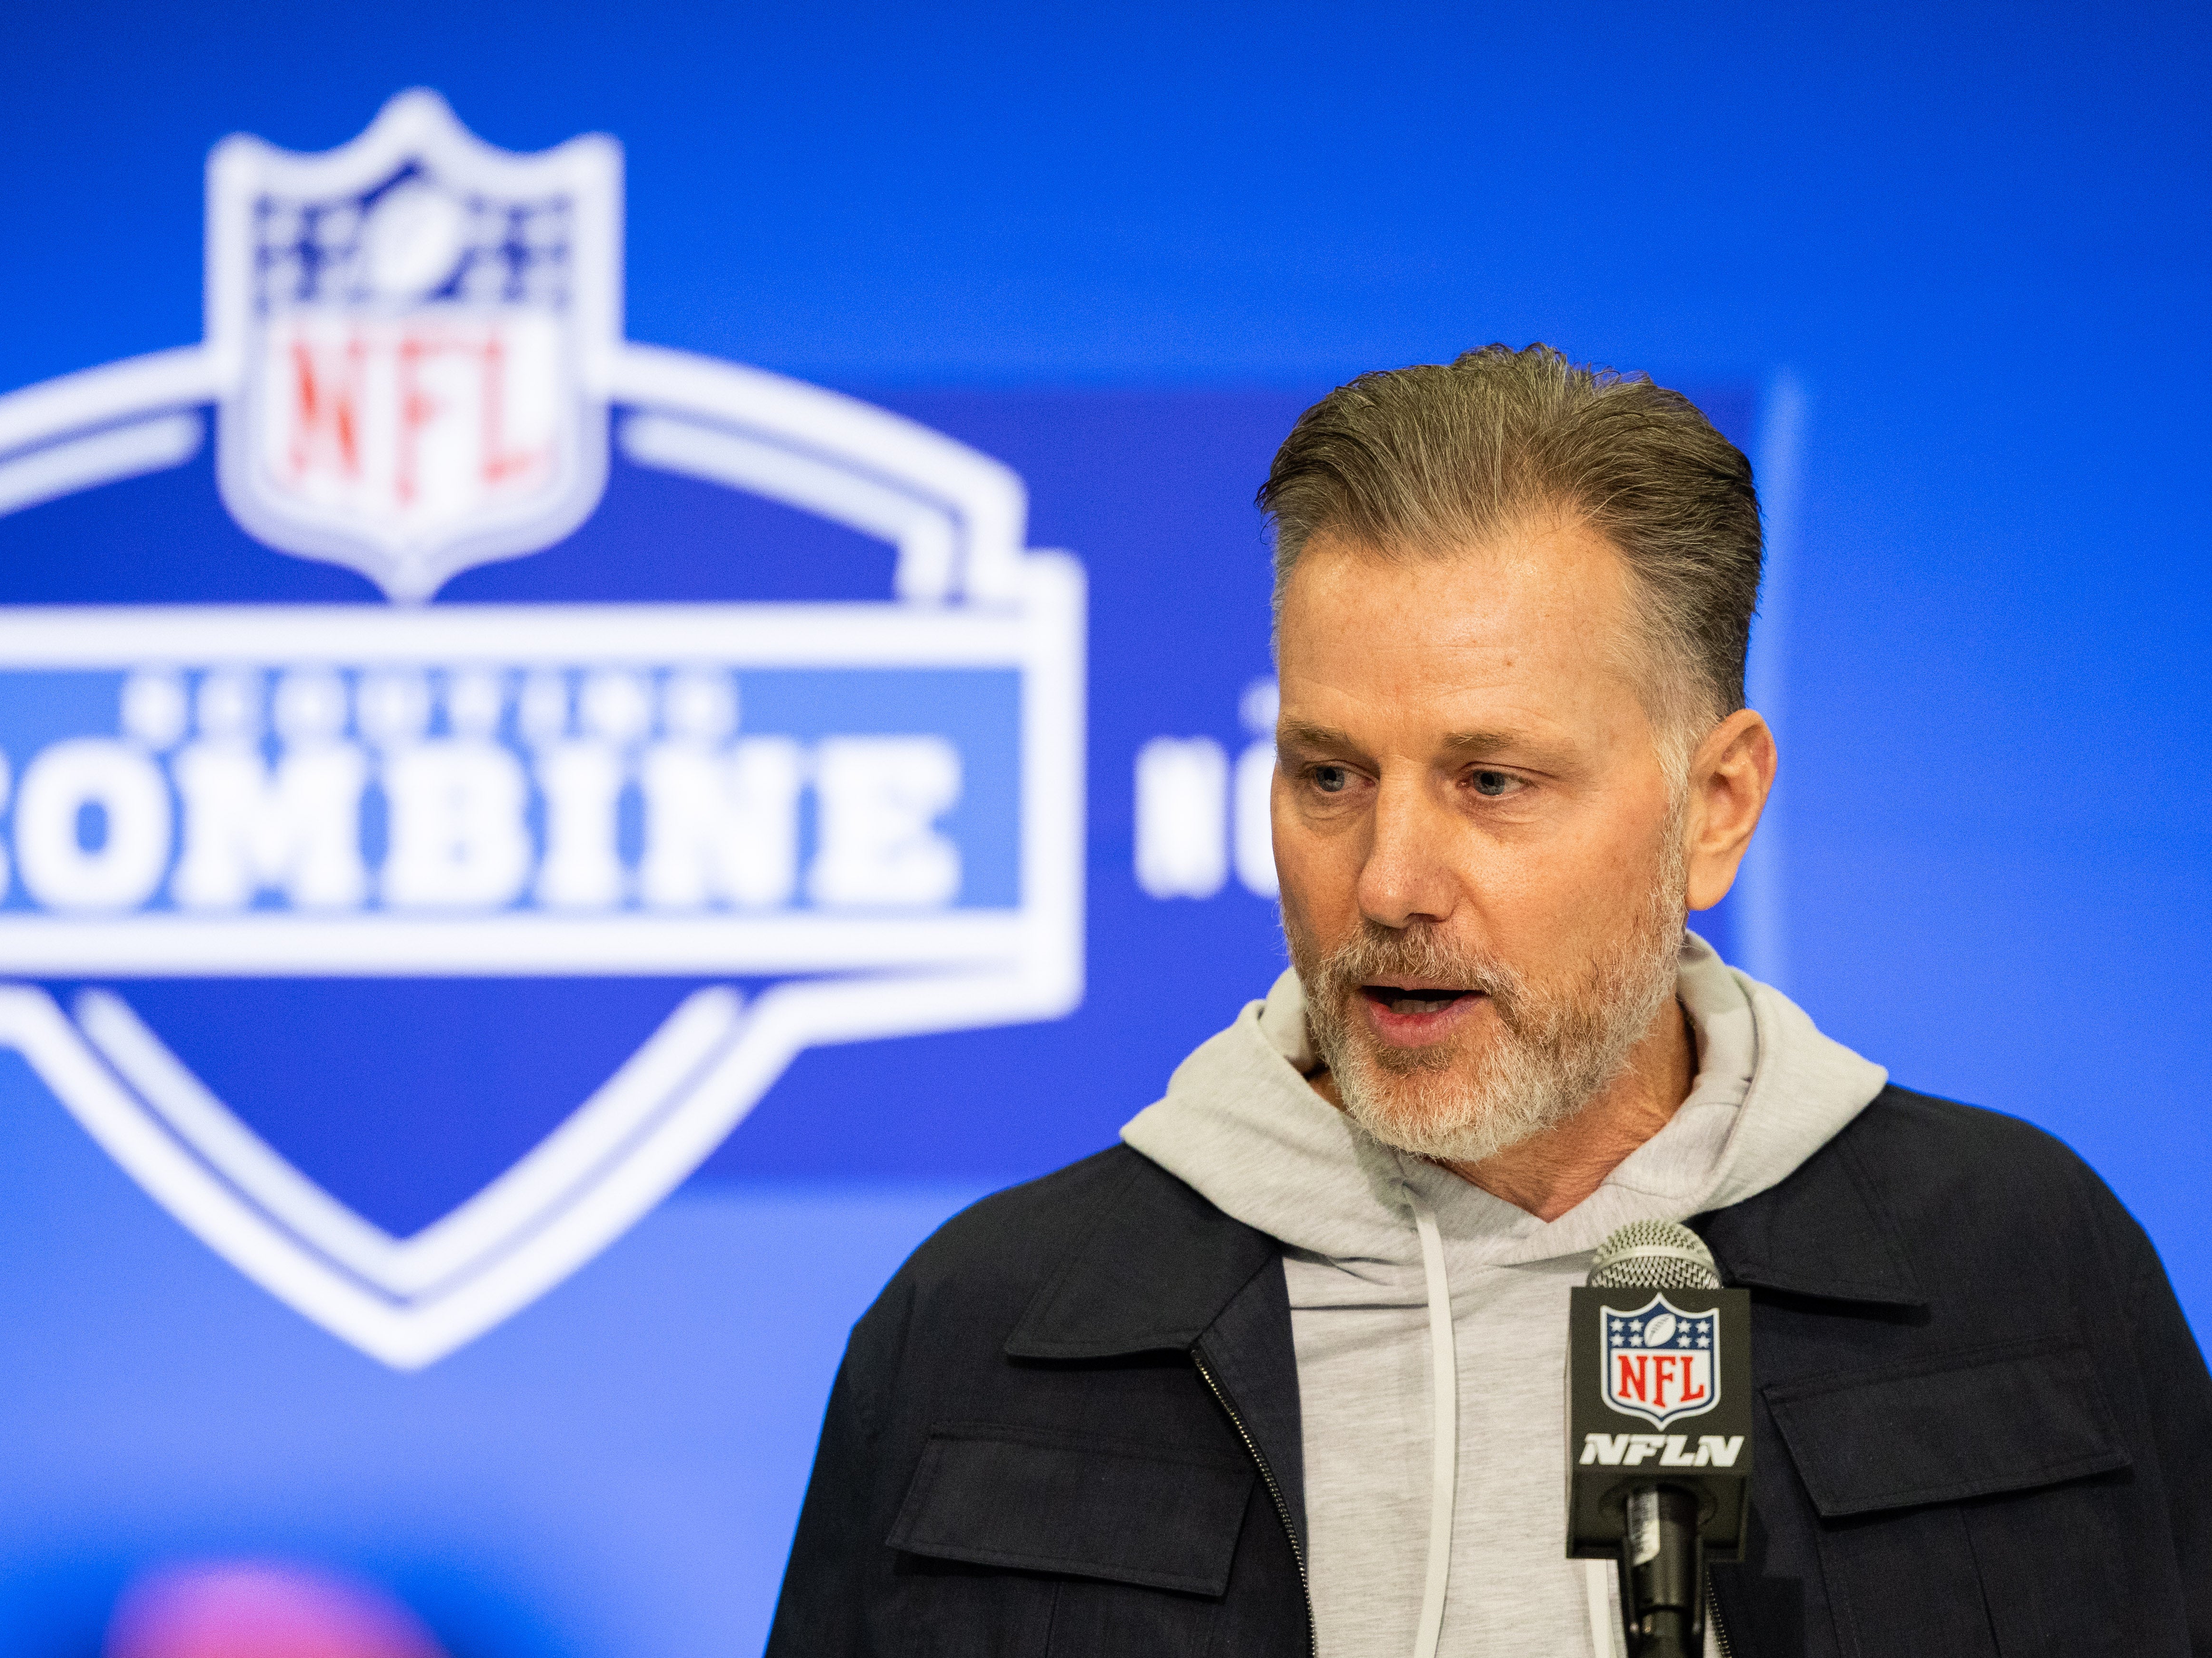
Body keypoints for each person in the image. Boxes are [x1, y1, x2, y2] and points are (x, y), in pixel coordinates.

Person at [763, 346, 2212, 1658]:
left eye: (1493, 782)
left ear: (1716, 806)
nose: (1390, 883)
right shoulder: (984, 1335)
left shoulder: (2023, 1270)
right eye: (1330, 776)